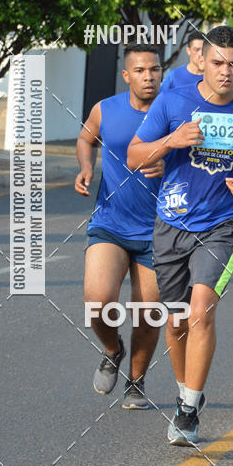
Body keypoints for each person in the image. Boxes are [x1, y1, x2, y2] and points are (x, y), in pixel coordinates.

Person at [128, 26, 233, 446]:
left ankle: (188, 410)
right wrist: (171, 140)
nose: (227, 72)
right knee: (175, 322)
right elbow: (136, 154)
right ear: (201, 62)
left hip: (222, 225)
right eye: (218, 63)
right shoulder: (173, 101)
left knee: (202, 310)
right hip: (170, 223)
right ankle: (186, 392)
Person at [76, 45, 164, 409]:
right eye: (140, 70)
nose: (149, 76)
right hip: (111, 222)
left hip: (160, 229)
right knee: (97, 301)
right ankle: (113, 350)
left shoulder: (175, 110)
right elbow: (85, 138)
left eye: (154, 69)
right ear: (127, 76)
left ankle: (137, 380)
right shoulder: (106, 109)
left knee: (148, 312)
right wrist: (86, 166)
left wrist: (170, 165)